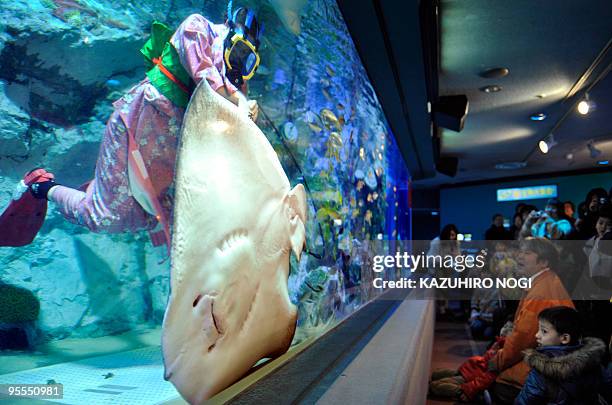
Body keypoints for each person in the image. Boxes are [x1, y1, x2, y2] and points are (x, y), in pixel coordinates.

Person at [24, 5, 263, 248]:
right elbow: (205, 79)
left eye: (248, 60)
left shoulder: (235, 83)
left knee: (159, 219)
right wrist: (238, 101)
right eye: (240, 50)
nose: (239, 60)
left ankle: (102, 188)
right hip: (134, 130)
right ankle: (43, 187)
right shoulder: (197, 27)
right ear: (229, 25)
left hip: (169, 156)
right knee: (103, 218)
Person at [486, 238, 574, 404]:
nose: (519, 256)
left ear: (544, 262)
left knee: (493, 380)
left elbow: (523, 339)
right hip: (552, 363)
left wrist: (497, 361)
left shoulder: (540, 293)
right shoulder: (546, 281)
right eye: (520, 252)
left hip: (546, 370)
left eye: (527, 253)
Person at [515, 306, 612, 404]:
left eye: (544, 331)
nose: (537, 335)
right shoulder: (595, 364)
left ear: (564, 338)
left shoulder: (540, 374)